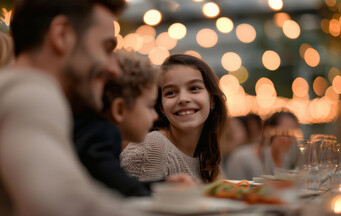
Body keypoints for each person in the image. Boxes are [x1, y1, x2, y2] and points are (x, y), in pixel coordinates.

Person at [0, 0, 134, 215]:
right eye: (106, 48)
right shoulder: (30, 94)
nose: (114, 69)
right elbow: (62, 203)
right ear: (62, 35)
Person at [121, 54, 228, 183]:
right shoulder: (154, 146)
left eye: (194, 88)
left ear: (212, 100)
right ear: (161, 107)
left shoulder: (207, 157)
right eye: (171, 92)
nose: (183, 99)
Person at [73, 51, 159, 196]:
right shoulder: (102, 133)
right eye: (150, 106)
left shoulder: (90, 130)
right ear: (119, 109)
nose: (155, 115)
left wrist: (164, 186)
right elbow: (115, 184)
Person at [226, 110, 302, 180]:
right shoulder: (241, 158)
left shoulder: (286, 158)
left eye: (294, 135)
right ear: (268, 132)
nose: (291, 140)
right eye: (285, 133)